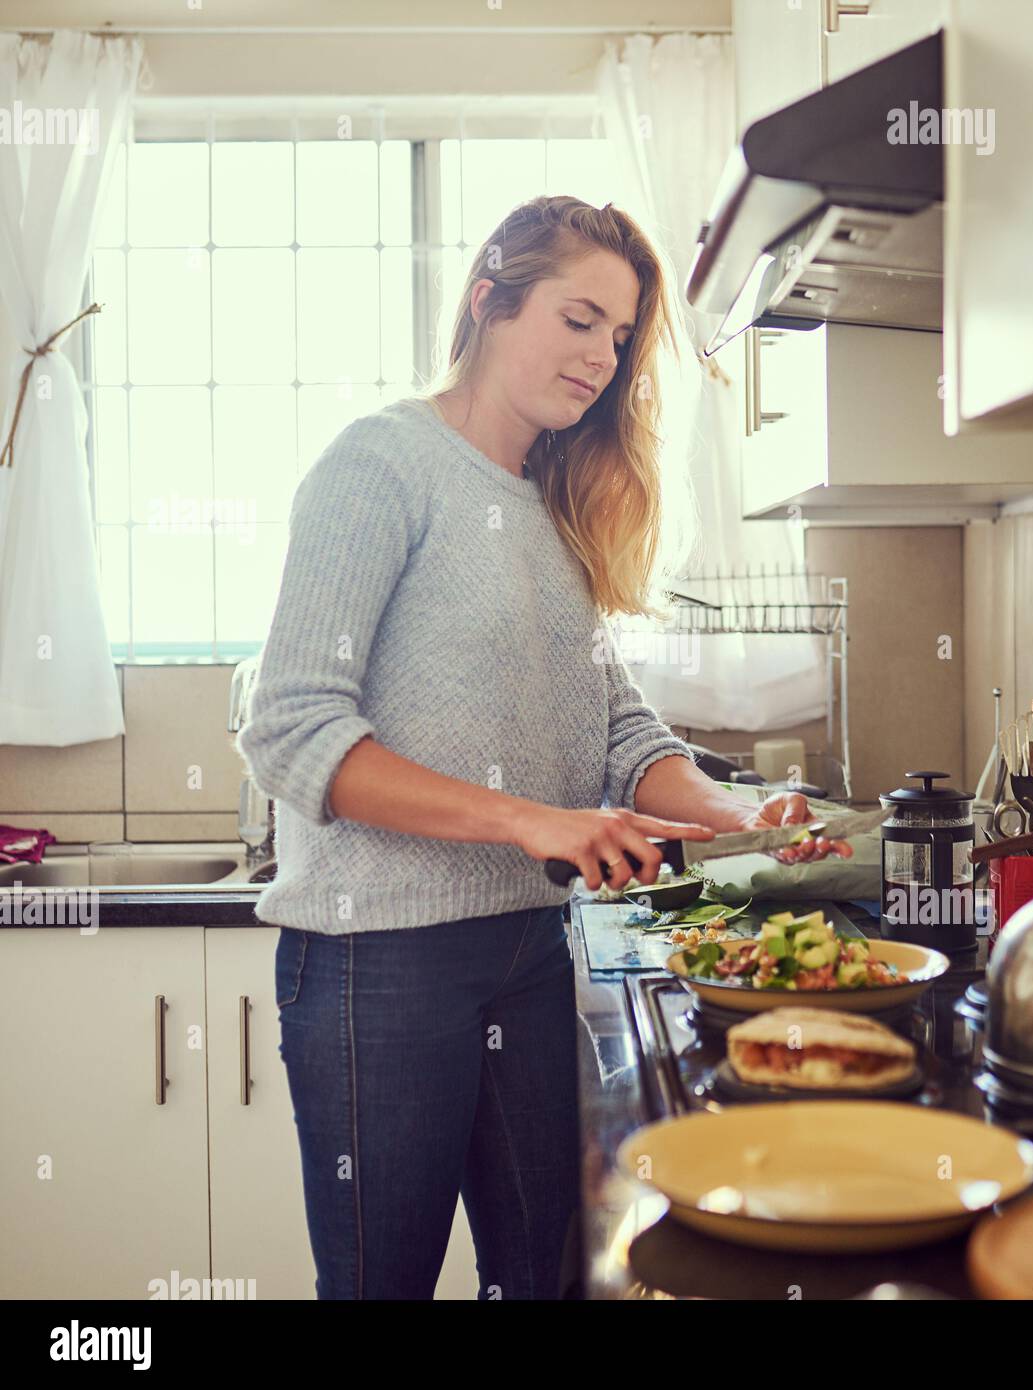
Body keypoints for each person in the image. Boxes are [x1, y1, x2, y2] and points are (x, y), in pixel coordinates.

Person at [235, 194, 811, 1300]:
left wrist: (735, 814)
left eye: (620, 336)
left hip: (529, 958)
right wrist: (528, 820)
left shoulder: (555, 505)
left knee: (547, 1280)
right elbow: (295, 727)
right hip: (377, 966)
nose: (601, 357)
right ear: (490, 299)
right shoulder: (378, 466)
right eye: (579, 318)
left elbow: (620, 729)